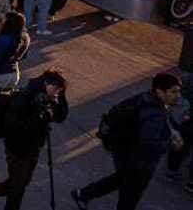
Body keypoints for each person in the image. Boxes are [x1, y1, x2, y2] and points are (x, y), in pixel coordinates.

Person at [72, 72, 183, 210]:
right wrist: (170, 144)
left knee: (121, 179)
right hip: (138, 161)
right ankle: (83, 194)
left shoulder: (146, 98)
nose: (178, 95)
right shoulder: (154, 113)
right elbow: (148, 144)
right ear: (160, 91)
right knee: (130, 195)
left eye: (179, 91)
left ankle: (83, 194)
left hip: (124, 152)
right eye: (174, 91)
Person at [0, 69, 69, 210]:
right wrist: (40, 117)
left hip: (32, 148)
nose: (56, 94)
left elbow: (61, 115)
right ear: (47, 84)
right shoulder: (24, 97)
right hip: (18, 149)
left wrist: (61, 96)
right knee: (17, 188)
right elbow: (15, 126)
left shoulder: (46, 97)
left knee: (18, 184)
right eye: (56, 90)